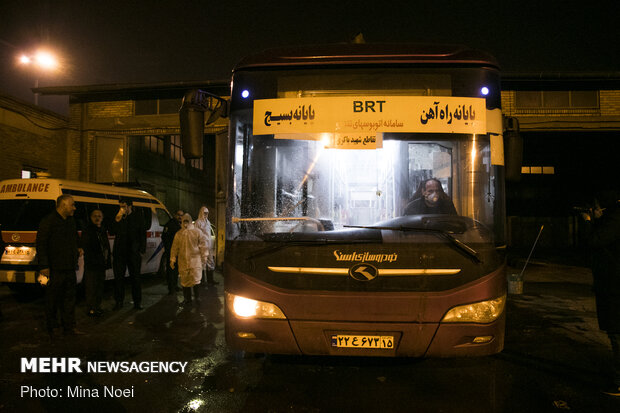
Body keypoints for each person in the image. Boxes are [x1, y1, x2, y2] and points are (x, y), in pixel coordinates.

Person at [580, 190, 620, 396]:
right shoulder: (612, 219)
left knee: (617, 333)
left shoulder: (615, 219)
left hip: (615, 286)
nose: (594, 210)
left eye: (596, 207)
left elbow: (595, 241)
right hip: (611, 284)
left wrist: (588, 222)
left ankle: (619, 382)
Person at [36, 194, 82, 337]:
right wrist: (44, 266)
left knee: (69, 299)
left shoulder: (71, 221)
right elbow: (41, 245)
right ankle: (52, 326)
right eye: (72, 205)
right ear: (63, 205)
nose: (74, 208)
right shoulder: (48, 222)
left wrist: (78, 248)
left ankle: (69, 327)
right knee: (52, 299)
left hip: (69, 268)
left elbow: (74, 239)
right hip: (52, 269)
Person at [109, 198, 149, 310]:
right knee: (119, 278)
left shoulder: (138, 217)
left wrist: (141, 250)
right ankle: (119, 301)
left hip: (133, 252)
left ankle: (137, 302)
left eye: (124, 206)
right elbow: (112, 230)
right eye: (120, 206)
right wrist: (118, 218)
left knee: (135, 278)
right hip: (120, 253)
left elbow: (142, 234)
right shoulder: (118, 217)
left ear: (130, 206)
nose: (122, 209)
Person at [170, 213, 208, 306]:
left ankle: (197, 298)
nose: (185, 223)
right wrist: (173, 259)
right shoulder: (179, 234)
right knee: (184, 280)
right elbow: (175, 247)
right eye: (184, 221)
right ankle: (187, 299)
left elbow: (203, 245)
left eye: (187, 221)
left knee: (196, 280)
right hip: (183, 261)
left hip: (195, 261)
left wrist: (205, 256)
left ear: (190, 221)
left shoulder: (197, 232)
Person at [80, 209, 111, 317]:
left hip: (101, 263)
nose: (97, 218)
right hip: (92, 263)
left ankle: (97, 307)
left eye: (99, 216)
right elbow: (86, 245)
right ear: (91, 217)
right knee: (91, 287)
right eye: (95, 216)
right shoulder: (88, 230)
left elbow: (106, 246)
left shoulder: (102, 230)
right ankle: (91, 308)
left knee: (99, 287)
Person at [162, 209, 184, 295]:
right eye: (178, 215)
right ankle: (171, 288)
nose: (180, 217)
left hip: (179, 251)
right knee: (171, 270)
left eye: (181, 215)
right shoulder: (170, 224)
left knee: (176, 270)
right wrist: (169, 249)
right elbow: (164, 237)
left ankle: (175, 286)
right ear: (174, 215)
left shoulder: (180, 225)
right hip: (171, 251)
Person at [195, 205, 217, 285]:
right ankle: (202, 281)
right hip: (202, 247)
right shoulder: (198, 222)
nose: (206, 214)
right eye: (204, 213)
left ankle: (210, 280)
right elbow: (196, 235)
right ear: (201, 213)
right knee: (202, 263)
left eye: (207, 213)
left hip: (209, 246)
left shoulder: (208, 222)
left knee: (210, 262)